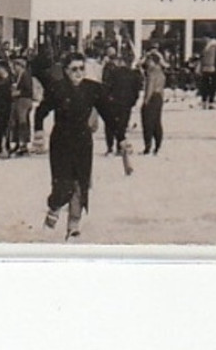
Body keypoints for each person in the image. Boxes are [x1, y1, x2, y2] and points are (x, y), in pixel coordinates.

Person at [34, 56, 119, 238]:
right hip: (61, 142)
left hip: (82, 141)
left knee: (80, 184)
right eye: (74, 69)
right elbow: (40, 112)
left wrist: (122, 137)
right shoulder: (57, 88)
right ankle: (54, 209)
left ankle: (73, 225)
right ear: (66, 70)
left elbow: (109, 115)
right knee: (62, 184)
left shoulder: (93, 89)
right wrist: (38, 132)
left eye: (81, 68)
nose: (79, 73)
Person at [101, 52, 143, 155]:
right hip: (126, 103)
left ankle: (110, 147)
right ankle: (120, 146)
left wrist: (107, 98)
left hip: (113, 102)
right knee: (122, 125)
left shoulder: (113, 73)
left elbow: (107, 86)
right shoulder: (134, 74)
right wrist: (133, 100)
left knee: (110, 125)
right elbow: (137, 89)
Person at [139, 49, 167, 155]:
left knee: (148, 122)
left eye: (149, 60)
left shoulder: (152, 73)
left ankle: (148, 145)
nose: (147, 62)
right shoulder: (161, 73)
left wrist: (146, 101)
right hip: (159, 97)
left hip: (152, 97)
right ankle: (158, 144)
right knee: (157, 121)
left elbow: (149, 87)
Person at [8, 57, 37, 155]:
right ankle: (16, 143)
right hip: (17, 101)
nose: (14, 68)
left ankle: (23, 144)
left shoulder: (25, 75)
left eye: (15, 66)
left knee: (22, 122)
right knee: (15, 121)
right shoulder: (17, 76)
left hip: (24, 101)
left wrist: (18, 92)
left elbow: (28, 90)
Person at [196, 36, 216, 109]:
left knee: (207, 85)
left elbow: (204, 58)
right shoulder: (210, 46)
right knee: (209, 85)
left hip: (210, 68)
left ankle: (207, 100)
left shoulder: (212, 47)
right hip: (210, 68)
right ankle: (209, 100)